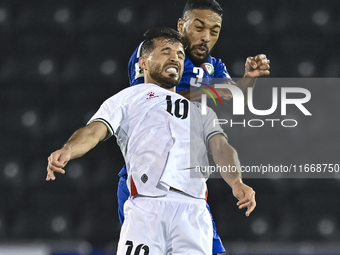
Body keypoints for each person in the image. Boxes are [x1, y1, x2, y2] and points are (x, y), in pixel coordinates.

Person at [47, 27, 255, 255]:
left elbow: (221, 147)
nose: (175, 58)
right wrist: (68, 150)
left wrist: (236, 182)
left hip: (194, 211)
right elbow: (94, 131)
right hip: (146, 208)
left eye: (180, 54)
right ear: (143, 62)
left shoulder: (201, 111)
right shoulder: (127, 98)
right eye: (166, 51)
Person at [119, 0, 268, 254]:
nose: (205, 37)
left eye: (214, 31)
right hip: (146, 184)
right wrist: (211, 93)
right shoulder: (155, 54)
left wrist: (248, 81)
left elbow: (233, 100)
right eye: (198, 27)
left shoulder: (214, 67)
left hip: (189, 186)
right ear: (181, 25)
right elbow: (148, 99)